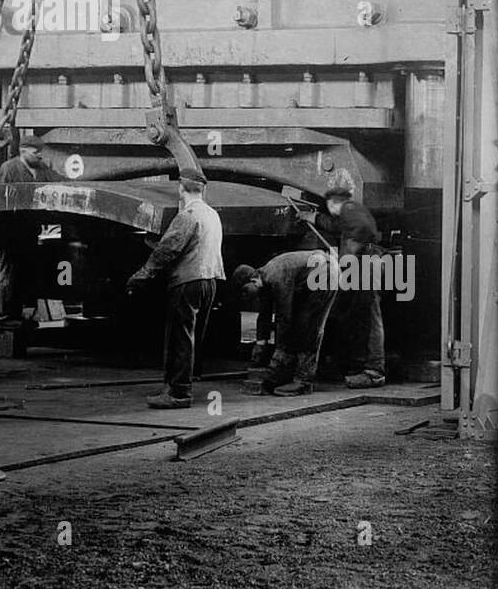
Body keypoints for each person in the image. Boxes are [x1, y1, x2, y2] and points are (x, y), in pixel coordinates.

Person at [126, 168, 224, 409]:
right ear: (202, 189)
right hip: (209, 279)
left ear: (181, 189)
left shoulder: (187, 215)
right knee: (192, 336)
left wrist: (141, 275)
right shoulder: (212, 214)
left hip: (187, 280)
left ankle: (178, 393)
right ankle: (184, 383)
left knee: (179, 337)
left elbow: (167, 250)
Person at [231, 250, 339, 396]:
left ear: (252, 281)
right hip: (315, 273)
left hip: (324, 272)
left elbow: (284, 317)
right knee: (299, 325)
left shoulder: (275, 277)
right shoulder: (264, 281)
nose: (246, 297)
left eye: (245, 291)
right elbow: (265, 315)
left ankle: (303, 381)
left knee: (308, 326)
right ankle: (288, 373)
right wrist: (260, 344)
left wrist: (277, 359)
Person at [319, 181, 385, 388]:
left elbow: (360, 229)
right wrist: (313, 218)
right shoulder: (353, 212)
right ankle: (360, 365)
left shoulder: (349, 207)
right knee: (360, 314)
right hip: (368, 262)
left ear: (333, 203)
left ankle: (375, 371)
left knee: (370, 316)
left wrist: (350, 253)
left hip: (365, 263)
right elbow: (337, 226)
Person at [0, 135, 58, 327]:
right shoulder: (9, 168)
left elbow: (58, 183)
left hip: (31, 228)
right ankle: (3, 316)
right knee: (9, 270)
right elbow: (0, 199)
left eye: (40, 152)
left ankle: (17, 313)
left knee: (24, 271)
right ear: (23, 151)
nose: (39, 155)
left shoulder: (42, 169)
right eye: (35, 151)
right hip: (11, 229)